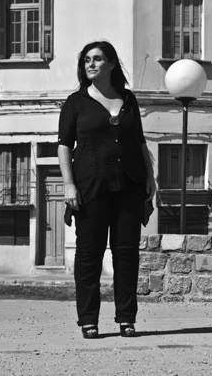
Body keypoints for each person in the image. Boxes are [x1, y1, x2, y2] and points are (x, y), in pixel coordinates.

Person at [58, 41, 155, 338]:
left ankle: (126, 318)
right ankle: (88, 319)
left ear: (111, 64)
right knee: (89, 255)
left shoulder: (128, 99)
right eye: (86, 59)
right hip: (90, 187)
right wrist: (69, 184)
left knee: (126, 254)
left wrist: (150, 178)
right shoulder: (75, 102)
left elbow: (139, 142)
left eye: (97, 59)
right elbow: (64, 146)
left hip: (129, 186)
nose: (91, 64)